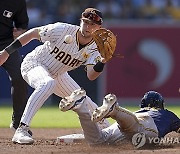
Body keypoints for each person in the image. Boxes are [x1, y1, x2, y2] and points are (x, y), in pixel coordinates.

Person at [0, 8, 110, 144]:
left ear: (99, 28)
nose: (88, 27)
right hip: (34, 63)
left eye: (93, 24)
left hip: (58, 74)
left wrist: (102, 61)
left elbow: (91, 75)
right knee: (47, 84)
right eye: (86, 22)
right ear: (80, 21)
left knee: (85, 102)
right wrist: (6, 52)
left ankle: (110, 132)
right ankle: (21, 129)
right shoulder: (62, 29)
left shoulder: (95, 47)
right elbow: (33, 33)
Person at [59, 88, 180, 145]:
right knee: (137, 129)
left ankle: (81, 108)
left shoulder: (139, 111)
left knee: (98, 141)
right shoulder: (167, 114)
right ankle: (114, 110)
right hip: (144, 125)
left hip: (123, 122)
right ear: (160, 103)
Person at [0, 0, 29, 130]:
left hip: (6, 43)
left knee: (20, 76)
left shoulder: (17, 2)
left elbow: (22, 26)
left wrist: (20, 32)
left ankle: (18, 122)